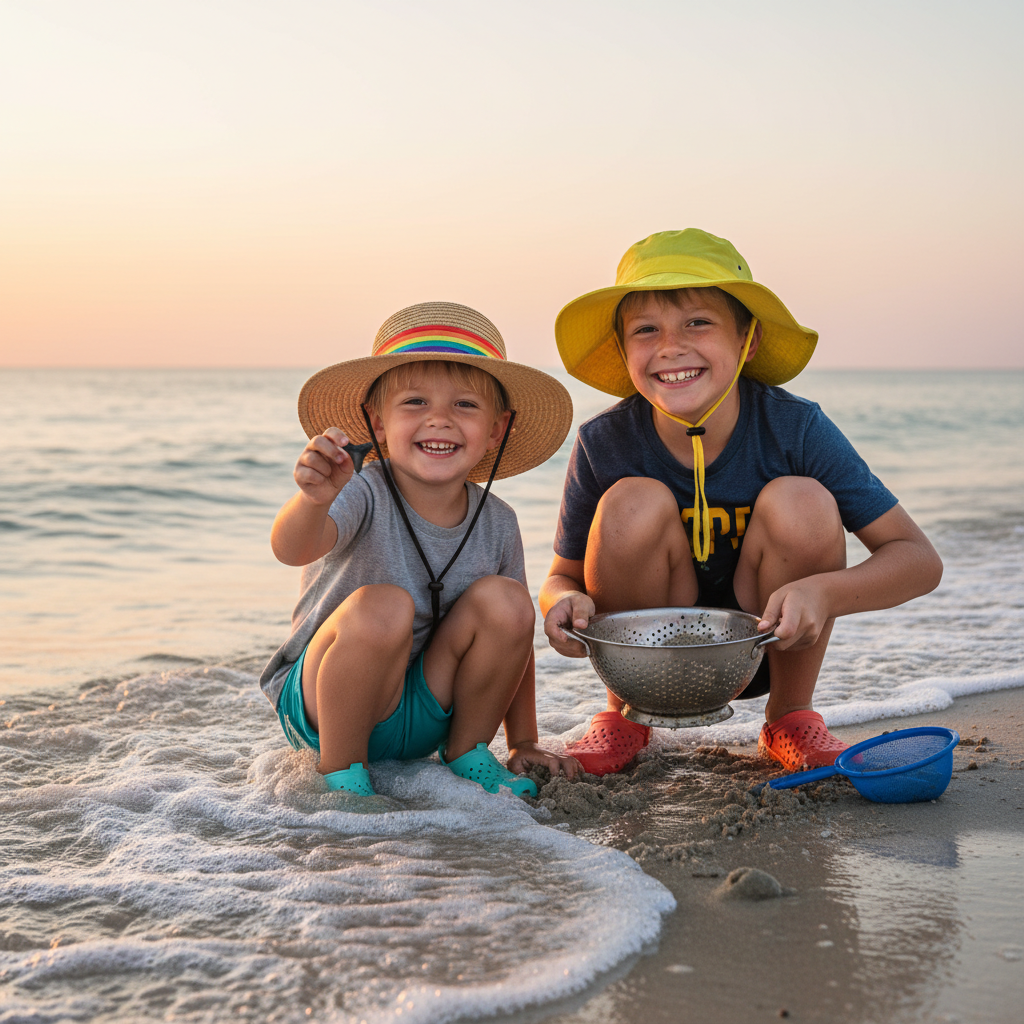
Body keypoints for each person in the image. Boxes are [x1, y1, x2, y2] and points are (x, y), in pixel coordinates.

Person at [540, 229, 943, 775]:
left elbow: (918, 560)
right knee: (632, 499)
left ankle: (790, 718)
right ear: (622, 349)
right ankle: (624, 720)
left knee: (801, 499)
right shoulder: (604, 441)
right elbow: (560, 576)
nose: (670, 346)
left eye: (698, 323)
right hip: (653, 661)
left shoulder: (794, 427)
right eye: (645, 330)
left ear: (747, 341)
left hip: (770, 642)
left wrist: (824, 593)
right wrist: (563, 604)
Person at [260, 301, 580, 798]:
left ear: (497, 429)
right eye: (414, 403)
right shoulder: (362, 490)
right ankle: (343, 776)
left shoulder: (499, 521)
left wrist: (524, 740)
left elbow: (515, 640)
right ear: (378, 423)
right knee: (385, 605)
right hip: (326, 704)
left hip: (428, 712)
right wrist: (312, 499)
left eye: (465, 405)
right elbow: (292, 548)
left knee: (509, 601)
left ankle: (468, 752)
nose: (440, 420)